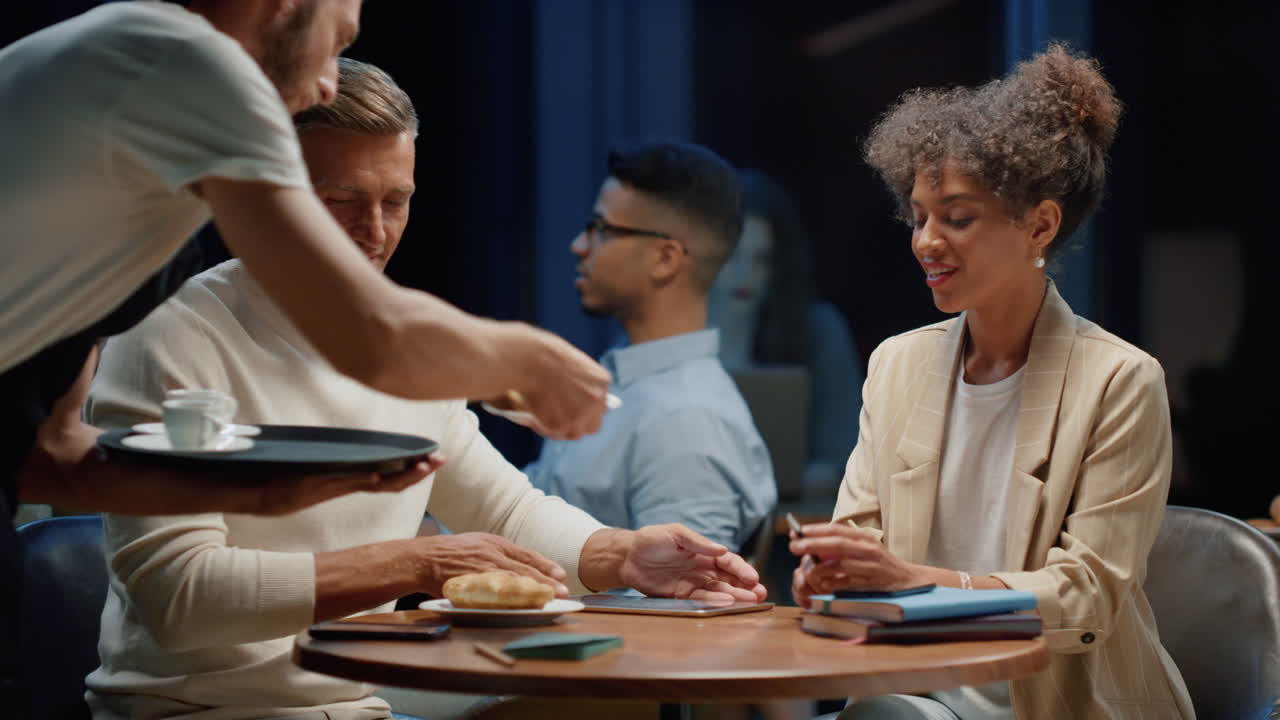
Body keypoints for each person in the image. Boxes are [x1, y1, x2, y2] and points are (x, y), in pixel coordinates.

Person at [83, 59, 766, 720]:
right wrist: (413, 562)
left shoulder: (408, 347)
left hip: (358, 706)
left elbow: (505, 510)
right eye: (342, 202)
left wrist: (625, 555)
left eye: (396, 201)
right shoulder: (173, 335)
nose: (376, 233)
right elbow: (178, 597)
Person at [0, 2, 604, 711]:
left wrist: (256, 493)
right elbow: (378, 339)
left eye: (395, 201)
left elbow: (51, 461)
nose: (326, 81)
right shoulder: (185, 60)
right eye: (336, 38)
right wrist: (524, 361)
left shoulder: (123, 223)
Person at [789, 45, 1194, 719]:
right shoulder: (896, 365)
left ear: (1040, 224)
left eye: (957, 217)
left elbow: (1084, 598)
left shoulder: (1120, 380)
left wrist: (912, 582)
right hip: (911, 701)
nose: (926, 240)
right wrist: (829, 575)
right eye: (918, 216)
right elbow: (859, 546)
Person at [523, 141, 776, 552]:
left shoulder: (686, 418)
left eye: (602, 230)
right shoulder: (628, 380)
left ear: (665, 258)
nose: (580, 245)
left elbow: (682, 591)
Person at [709, 169, 863, 493]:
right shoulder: (670, 329)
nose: (745, 274)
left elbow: (846, 461)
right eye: (732, 256)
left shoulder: (819, 331)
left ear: (780, 265)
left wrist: (756, 487)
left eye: (762, 259)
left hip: (792, 519)